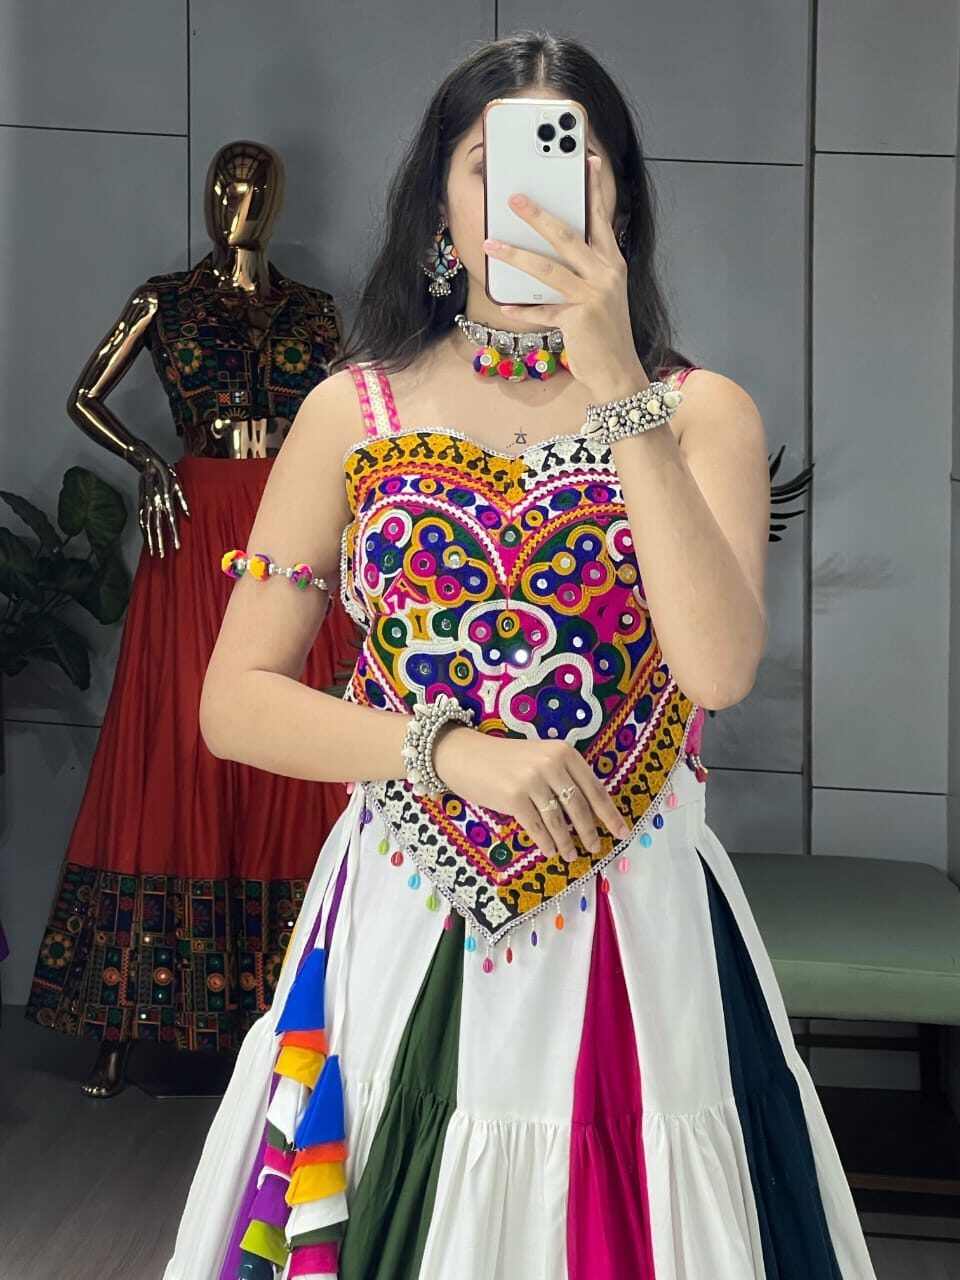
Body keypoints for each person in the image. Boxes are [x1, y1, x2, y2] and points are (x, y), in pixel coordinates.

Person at [163, 30, 878, 1280]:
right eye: (490, 167)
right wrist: (448, 751)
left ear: (620, 199)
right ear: (439, 200)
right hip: (404, 910)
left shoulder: (700, 412)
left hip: (635, 925)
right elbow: (235, 701)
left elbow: (717, 671)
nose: (529, 195)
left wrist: (621, 389)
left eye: (571, 161)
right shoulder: (350, 412)